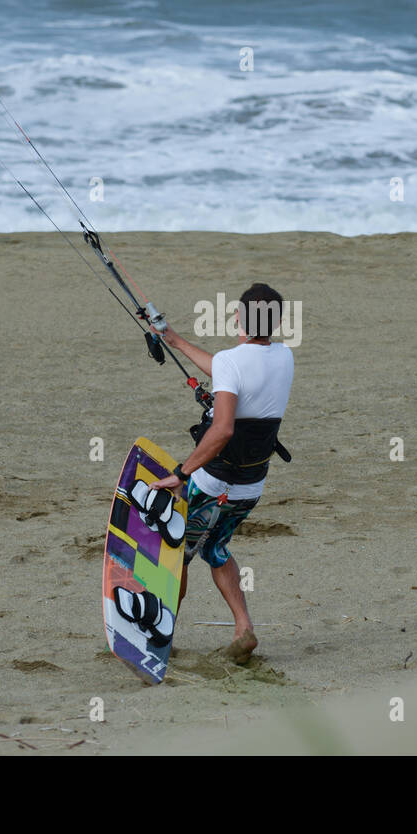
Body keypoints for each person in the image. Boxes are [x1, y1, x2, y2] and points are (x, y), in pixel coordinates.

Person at [146, 283, 293, 663]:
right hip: (251, 486)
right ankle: (244, 628)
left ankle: (159, 637)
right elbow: (233, 372)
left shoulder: (232, 361)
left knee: (177, 555)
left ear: (240, 318)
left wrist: (181, 473)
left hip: (215, 484)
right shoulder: (283, 357)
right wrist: (176, 341)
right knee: (215, 547)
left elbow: (224, 429)